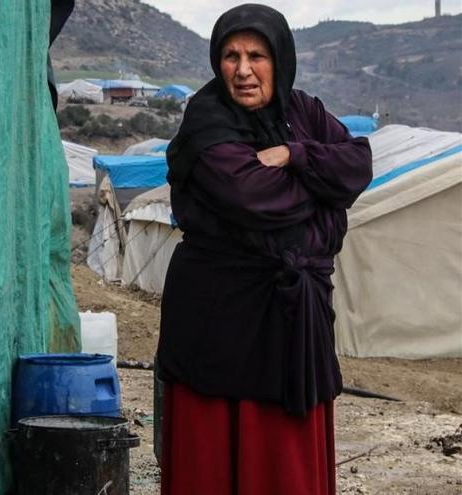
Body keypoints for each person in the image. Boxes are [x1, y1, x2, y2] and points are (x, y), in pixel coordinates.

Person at [157, 4, 372, 494]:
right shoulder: (207, 121)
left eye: (257, 55)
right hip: (221, 320)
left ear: (281, 58)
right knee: (215, 460)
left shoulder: (303, 111)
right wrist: (324, 195)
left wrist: (297, 154)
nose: (243, 70)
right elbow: (256, 199)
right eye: (230, 56)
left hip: (294, 322)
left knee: (284, 463)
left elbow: (357, 164)